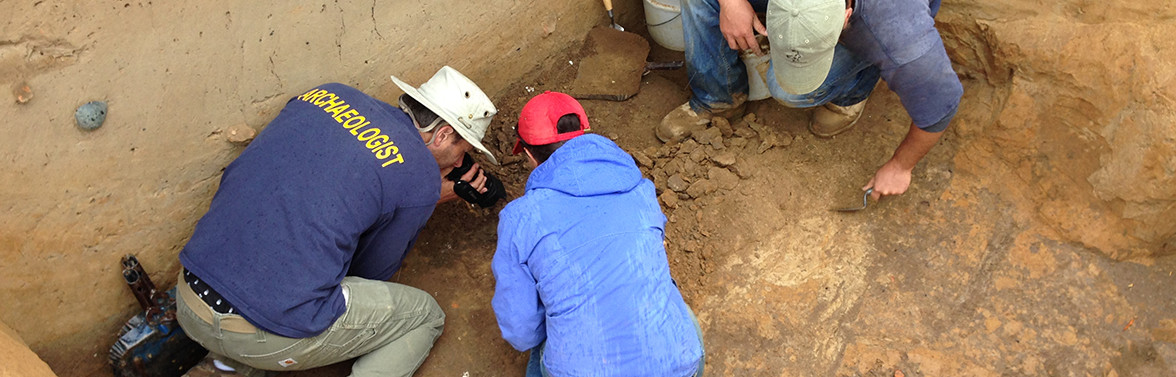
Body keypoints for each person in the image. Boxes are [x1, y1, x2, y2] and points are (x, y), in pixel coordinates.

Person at [175, 66, 498, 377]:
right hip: (262, 334)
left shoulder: (327, 94)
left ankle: (222, 368)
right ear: (442, 135)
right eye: (462, 150)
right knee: (423, 317)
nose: (459, 162)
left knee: (272, 280)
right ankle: (242, 353)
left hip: (190, 295)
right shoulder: (419, 180)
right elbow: (369, 275)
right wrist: (423, 196)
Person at [657, 0, 963, 199]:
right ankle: (719, 97)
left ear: (844, 17)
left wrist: (900, 166)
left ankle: (853, 93)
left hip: (878, 19)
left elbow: (941, 103)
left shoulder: (899, 35)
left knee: (787, 88)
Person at [492, 91, 705, 377]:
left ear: (529, 154)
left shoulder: (520, 217)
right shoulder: (640, 190)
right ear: (584, 135)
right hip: (680, 367)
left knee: (544, 344)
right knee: (677, 309)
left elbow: (521, 332)